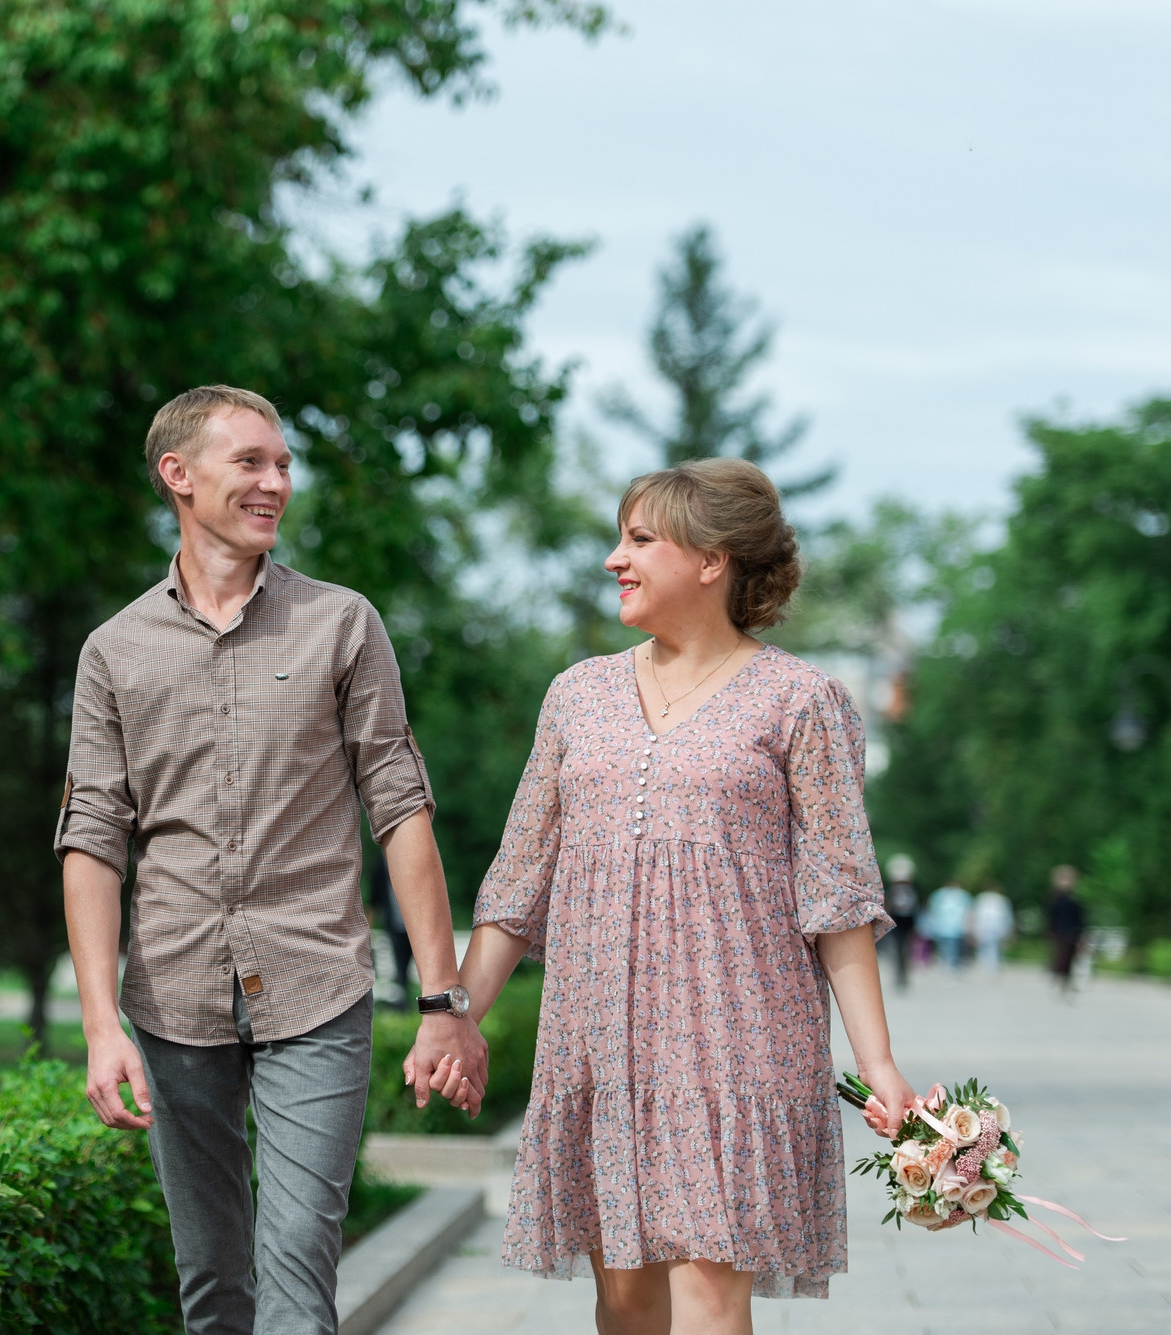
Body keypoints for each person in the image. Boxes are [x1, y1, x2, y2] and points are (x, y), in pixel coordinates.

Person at [438, 458, 919, 1331]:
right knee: (624, 1304)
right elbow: (519, 880)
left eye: (640, 539)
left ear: (713, 559)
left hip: (742, 1036)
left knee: (708, 1294)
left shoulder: (803, 701)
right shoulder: (575, 696)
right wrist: (457, 1013)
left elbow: (841, 902)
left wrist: (878, 1062)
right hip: (600, 1039)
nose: (616, 559)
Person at [56, 385, 487, 1335]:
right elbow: (92, 837)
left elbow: (402, 808)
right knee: (211, 1281)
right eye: (250, 460)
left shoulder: (341, 624)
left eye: (283, 463)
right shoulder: (114, 651)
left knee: (297, 1273)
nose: (276, 480)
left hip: (316, 986)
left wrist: (444, 1002)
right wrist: (98, 1024)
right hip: (172, 1000)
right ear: (179, 475)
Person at [368, 852, 414, 1003]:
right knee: (399, 964)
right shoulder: (381, 863)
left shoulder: (412, 858)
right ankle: (401, 1002)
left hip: (413, 923)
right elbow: (374, 895)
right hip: (394, 922)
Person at [1046, 864, 1086, 993]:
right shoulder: (1056, 900)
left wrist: (1081, 934)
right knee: (1062, 957)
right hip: (1061, 932)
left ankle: (1065, 979)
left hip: (1072, 932)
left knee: (1071, 957)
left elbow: (1079, 919)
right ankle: (1062, 979)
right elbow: (1052, 918)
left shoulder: (1073, 899)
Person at [883, 854, 920, 991]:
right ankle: (898, 976)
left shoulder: (911, 891)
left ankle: (904, 976)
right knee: (898, 949)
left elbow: (914, 908)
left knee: (906, 950)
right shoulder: (893, 892)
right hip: (897, 923)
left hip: (907, 923)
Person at [925, 878, 972, 969]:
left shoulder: (939, 894)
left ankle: (947, 964)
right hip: (955, 926)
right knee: (953, 947)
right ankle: (951, 965)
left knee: (944, 947)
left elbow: (932, 909)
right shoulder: (963, 895)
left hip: (942, 925)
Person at [970, 883, 1014, 976]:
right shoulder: (1000, 899)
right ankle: (991, 967)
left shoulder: (982, 898)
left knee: (987, 948)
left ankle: (988, 966)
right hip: (992, 927)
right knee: (992, 948)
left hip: (989, 927)